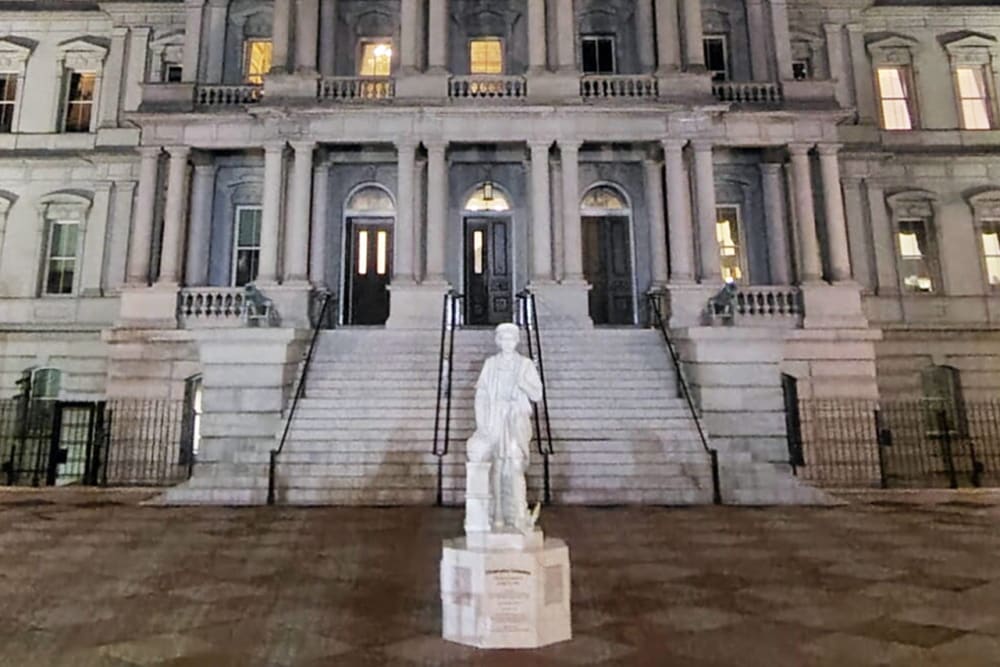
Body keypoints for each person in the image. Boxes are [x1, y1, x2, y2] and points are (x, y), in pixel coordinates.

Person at [467, 323, 543, 532]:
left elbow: (537, 394)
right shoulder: (491, 364)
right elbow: (481, 394)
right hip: (496, 419)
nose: (507, 343)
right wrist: (482, 424)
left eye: (511, 339)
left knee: (516, 466)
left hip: (515, 419)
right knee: (498, 466)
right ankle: (498, 514)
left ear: (516, 341)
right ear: (498, 341)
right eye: (503, 339)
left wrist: (523, 384)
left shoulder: (525, 364)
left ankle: (518, 513)